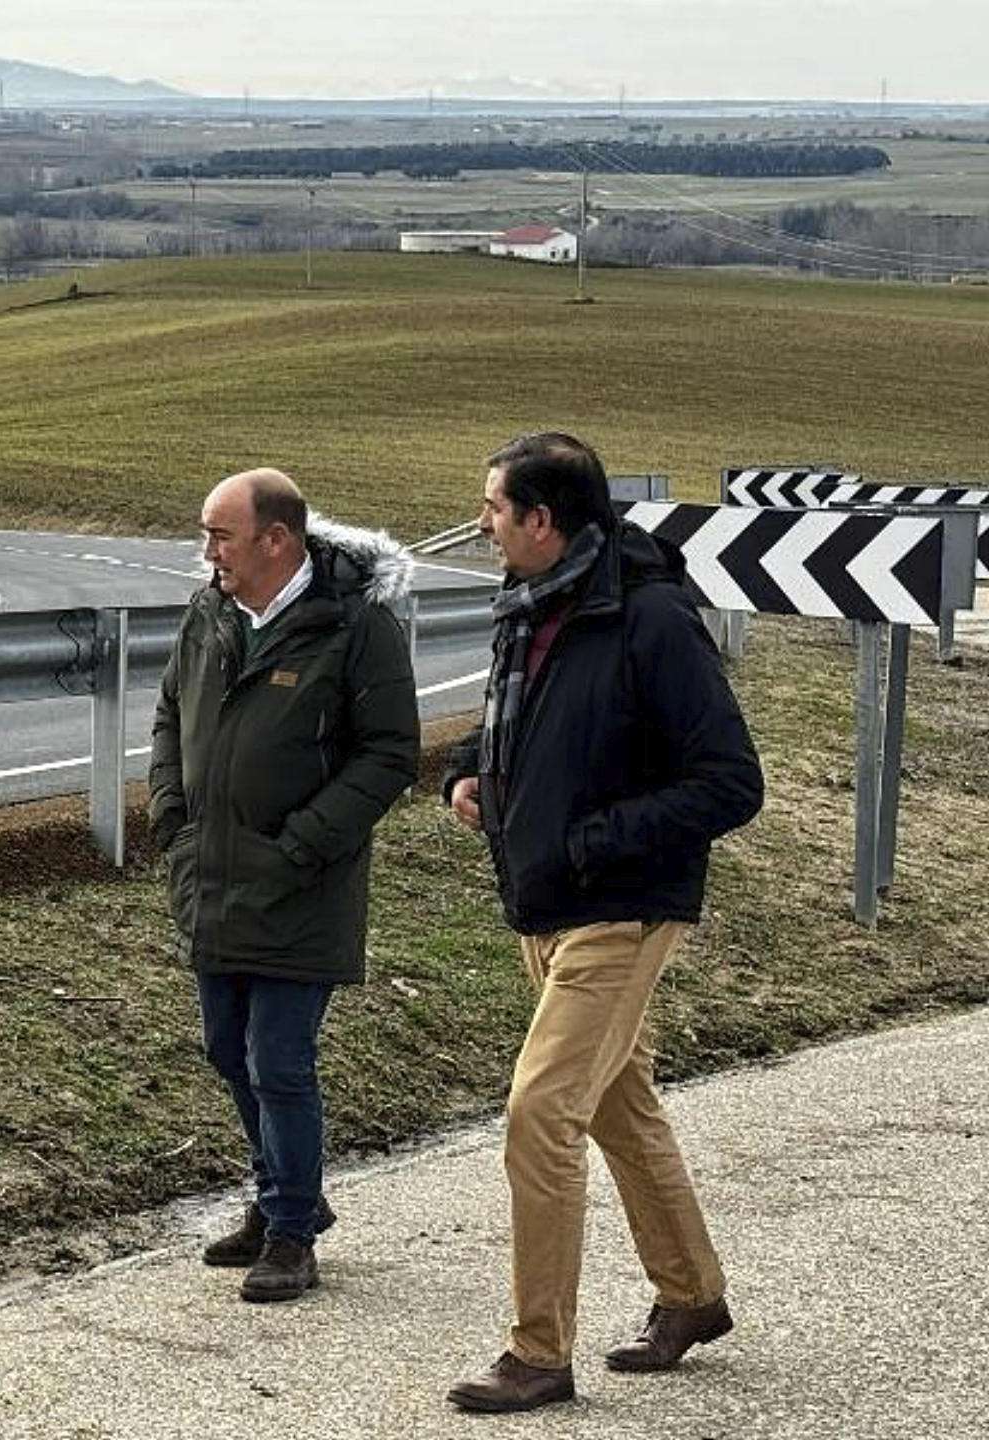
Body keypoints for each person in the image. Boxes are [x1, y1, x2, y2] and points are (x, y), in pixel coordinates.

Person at [441, 433, 764, 1412]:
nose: (485, 523)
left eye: (496, 509)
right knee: (623, 1107)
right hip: (544, 902)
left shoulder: (651, 619)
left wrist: (592, 842)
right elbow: (519, 722)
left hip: (619, 909)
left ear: (545, 520)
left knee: (541, 1113)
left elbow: (731, 782)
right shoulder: (532, 606)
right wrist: (466, 767)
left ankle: (539, 1351)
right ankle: (693, 1294)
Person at [150, 467, 419, 1303]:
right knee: (228, 1049)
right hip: (214, 875)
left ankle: (294, 1234)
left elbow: (389, 753)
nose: (207, 552)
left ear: (277, 539)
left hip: (305, 885)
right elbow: (169, 714)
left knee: (278, 1059)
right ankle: (280, 1199)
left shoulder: (355, 626)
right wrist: (172, 818)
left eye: (220, 535)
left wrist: (305, 843)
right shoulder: (209, 614)